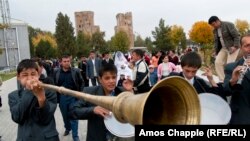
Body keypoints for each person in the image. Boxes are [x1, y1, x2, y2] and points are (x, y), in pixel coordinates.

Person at [68, 64, 134, 141]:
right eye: (107, 78)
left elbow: (135, 112)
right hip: (97, 137)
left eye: (114, 77)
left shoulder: (123, 91)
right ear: (100, 79)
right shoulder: (89, 92)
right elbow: (72, 111)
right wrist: (93, 110)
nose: (111, 81)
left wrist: (130, 93)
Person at [8, 59, 59, 141]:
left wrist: (41, 99)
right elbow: (17, 117)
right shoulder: (13, 96)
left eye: (33, 74)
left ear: (38, 75)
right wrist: (29, 91)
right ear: (18, 77)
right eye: (25, 75)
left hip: (47, 138)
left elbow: (46, 118)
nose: (30, 78)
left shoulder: (49, 92)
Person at [53, 54, 84, 141]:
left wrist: (80, 94)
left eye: (68, 61)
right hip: (62, 98)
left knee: (74, 116)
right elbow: (54, 84)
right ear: (61, 62)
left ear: (70, 61)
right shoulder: (56, 72)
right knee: (65, 116)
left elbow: (82, 83)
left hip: (73, 96)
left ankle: (75, 136)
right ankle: (67, 128)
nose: (67, 63)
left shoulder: (76, 71)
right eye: (64, 61)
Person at [223, 33, 250, 124]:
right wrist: (233, 81)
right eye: (247, 46)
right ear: (241, 48)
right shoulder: (231, 67)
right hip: (241, 117)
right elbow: (226, 91)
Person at [208, 16, 241, 82]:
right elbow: (217, 41)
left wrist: (235, 46)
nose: (213, 26)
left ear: (217, 21)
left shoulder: (228, 25)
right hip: (224, 48)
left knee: (229, 65)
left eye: (213, 24)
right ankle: (223, 80)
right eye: (212, 25)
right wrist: (215, 51)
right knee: (217, 62)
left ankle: (231, 80)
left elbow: (237, 36)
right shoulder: (215, 30)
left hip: (232, 47)